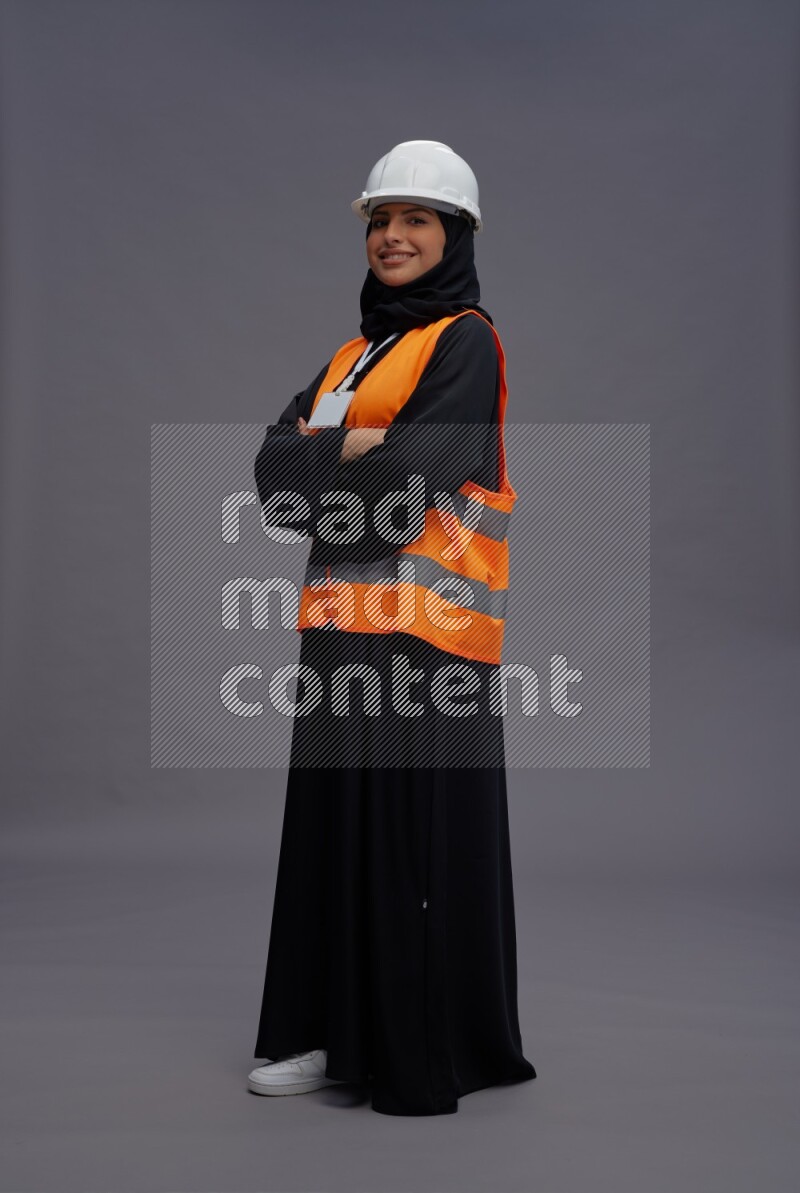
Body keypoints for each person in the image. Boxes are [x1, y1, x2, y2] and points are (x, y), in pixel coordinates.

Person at [247, 141, 537, 1116]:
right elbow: (266, 474)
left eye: (416, 219)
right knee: (332, 834)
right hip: (339, 632)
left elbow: (412, 482)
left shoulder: (465, 339)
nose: (392, 236)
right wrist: (346, 446)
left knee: (409, 846)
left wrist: (326, 459)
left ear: (452, 235)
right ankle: (322, 1033)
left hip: (430, 642)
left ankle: (415, 1051)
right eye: (381, 220)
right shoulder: (352, 357)